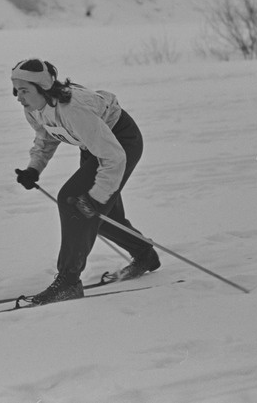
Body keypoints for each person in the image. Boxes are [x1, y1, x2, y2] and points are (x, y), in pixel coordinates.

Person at [11, 58, 160, 305]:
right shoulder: (33, 108)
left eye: (24, 90)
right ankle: (145, 255)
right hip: (95, 146)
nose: (18, 97)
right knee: (94, 213)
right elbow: (46, 136)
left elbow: (114, 156)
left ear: (43, 88)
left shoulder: (72, 109)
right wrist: (34, 169)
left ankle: (68, 283)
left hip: (121, 142)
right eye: (16, 90)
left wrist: (97, 196)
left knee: (74, 202)